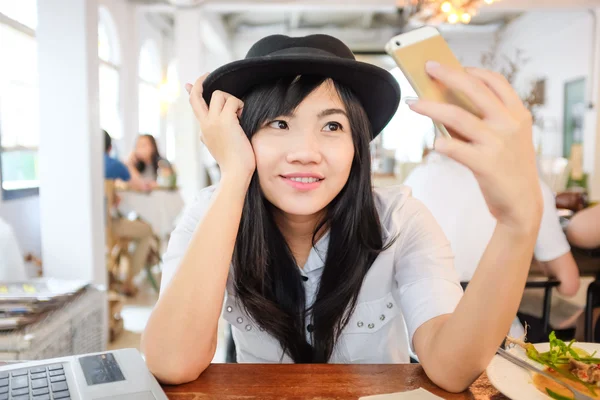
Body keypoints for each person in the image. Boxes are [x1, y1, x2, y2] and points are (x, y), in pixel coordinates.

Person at [142, 34, 543, 392]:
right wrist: (234, 177)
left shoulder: (400, 220)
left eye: (332, 127)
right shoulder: (208, 213)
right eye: (278, 123)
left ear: (357, 147)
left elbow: (451, 371)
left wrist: (516, 224)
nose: (305, 152)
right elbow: (171, 364)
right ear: (242, 137)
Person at [404, 152, 580, 338]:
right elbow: (569, 285)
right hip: (499, 344)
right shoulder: (529, 186)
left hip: (416, 341)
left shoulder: (414, 180)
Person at [104, 131, 155, 296]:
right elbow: (142, 186)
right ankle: (129, 280)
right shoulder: (113, 165)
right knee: (146, 230)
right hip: (107, 227)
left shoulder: (79, 164)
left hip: (84, 228)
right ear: (110, 147)